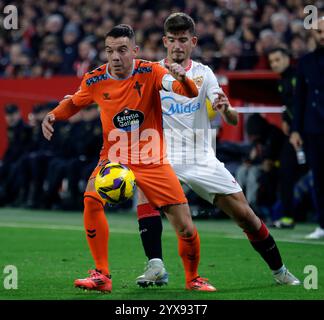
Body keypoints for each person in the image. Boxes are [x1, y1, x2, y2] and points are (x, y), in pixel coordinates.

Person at [41, 24, 216, 292]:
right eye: (110, 51)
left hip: (151, 158)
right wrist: (53, 115)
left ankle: (193, 278)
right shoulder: (95, 79)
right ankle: (102, 274)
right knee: (90, 199)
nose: (115, 57)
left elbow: (186, 92)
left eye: (122, 50)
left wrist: (182, 78)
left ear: (134, 51)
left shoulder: (152, 71)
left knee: (185, 227)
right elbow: (75, 102)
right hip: (114, 158)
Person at [135, 13, 300, 288]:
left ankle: (280, 270)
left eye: (183, 40)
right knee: (148, 191)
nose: (178, 45)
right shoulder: (151, 72)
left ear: (193, 42)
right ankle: (155, 265)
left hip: (201, 158)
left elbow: (232, 118)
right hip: (163, 157)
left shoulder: (203, 74)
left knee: (246, 217)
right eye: (173, 40)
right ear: (165, 41)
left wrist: (227, 110)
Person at [290, 17, 324, 239]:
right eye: (319, 32)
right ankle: (322, 224)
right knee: (319, 177)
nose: (322, 36)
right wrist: (295, 130)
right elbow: (299, 99)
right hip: (314, 128)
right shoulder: (305, 62)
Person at [267, 47, 309, 228]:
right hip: (296, 133)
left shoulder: (296, 78)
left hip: (304, 132)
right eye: (271, 62)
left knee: (288, 171)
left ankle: (289, 215)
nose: (274, 64)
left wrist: (296, 130)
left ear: (287, 59)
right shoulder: (283, 81)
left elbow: (302, 105)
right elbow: (290, 105)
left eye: (277, 60)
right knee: (285, 171)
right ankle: (287, 216)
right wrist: (285, 118)